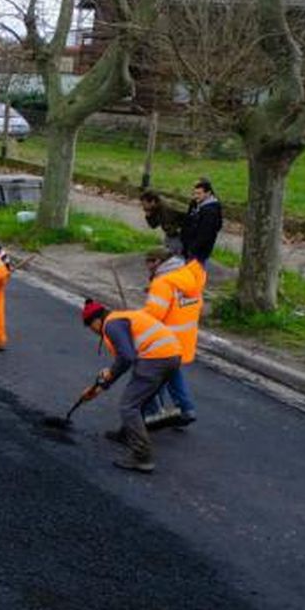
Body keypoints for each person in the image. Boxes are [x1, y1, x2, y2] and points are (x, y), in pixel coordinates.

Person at [80, 298, 183, 473]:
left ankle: (142, 457)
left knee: (129, 406)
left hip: (156, 358)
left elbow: (126, 358)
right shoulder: (121, 317)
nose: (94, 332)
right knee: (139, 398)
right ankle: (126, 433)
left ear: (96, 321)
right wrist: (101, 386)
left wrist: (107, 379)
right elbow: (126, 357)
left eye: (91, 327)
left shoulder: (111, 325)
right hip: (172, 355)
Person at [140, 248, 207, 426]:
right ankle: (185, 409)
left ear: (157, 262)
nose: (147, 267)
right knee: (171, 372)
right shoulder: (188, 277)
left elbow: (154, 314)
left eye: (148, 262)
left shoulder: (163, 283)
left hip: (164, 340)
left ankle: (155, 412)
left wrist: (136, 320)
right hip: (185, 338)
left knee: (155, 373)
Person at [180, 177, 224, 264]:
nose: (196, 196)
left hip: (199, 250)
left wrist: (193, 248)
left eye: (199, 194)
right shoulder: (195, 204)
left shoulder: (210, 211)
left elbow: (206, 233)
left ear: (208, 193)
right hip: (189, 246)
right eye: (194, 193)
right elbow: (188, 221)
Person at [141, 189, 184, 255]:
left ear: (152, 201)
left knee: (174, 256)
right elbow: (153, 225)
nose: (143, 206)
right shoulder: (155, 207)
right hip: (171, 234)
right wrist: (148, 215)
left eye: (144, 204)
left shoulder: (166, 209)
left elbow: (170, 229)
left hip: (180, 235)